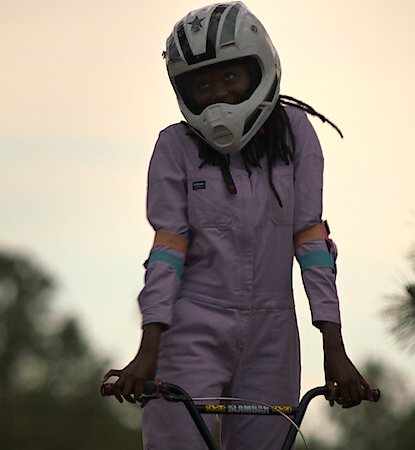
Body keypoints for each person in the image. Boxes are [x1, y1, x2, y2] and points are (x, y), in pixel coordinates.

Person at [103, 2, 370, 448]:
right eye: (202, 84)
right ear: (184, 91)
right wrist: (149, 351)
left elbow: (311, 241)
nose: (218, 94)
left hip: (273, 333)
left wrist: (334, 349)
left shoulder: (296, 134)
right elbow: (167, 250)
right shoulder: (175, 147)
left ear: (259, 68)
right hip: (191, 330)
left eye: (230, 76)